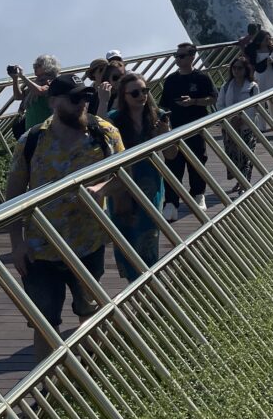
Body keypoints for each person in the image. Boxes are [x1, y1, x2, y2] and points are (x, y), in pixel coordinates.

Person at [6, 73, 124, 359]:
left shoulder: (105, 133)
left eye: (86, 97)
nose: (83, 103)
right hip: (40, 249)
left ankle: (88, 376)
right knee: (45, 322)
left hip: (88, 243)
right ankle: (46, 389)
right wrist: (16, 244)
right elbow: (14, 194)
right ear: (54, 102)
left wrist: (103, 186)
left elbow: (124, 175)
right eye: (75, 98)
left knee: (89, 311)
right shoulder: (31, 140)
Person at [107, 73, 175, 281]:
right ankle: (132, 284)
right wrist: (101, 101)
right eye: (135, 93)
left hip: (150, 182)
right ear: (124, 96)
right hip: (121, 184)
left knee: (148, 234)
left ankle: (148, 282)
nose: (141, 96)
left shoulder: (158, 115)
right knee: (125, 234)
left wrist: (165, 135)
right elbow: (102, 150)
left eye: (144, 91)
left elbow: (172, 155)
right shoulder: (114, 119)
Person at [159, 43, 217, 220]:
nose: (178, 59)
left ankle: (198, 195)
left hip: (195, 127)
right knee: (173, 164)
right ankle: (170, 202)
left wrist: (194, 102)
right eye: (176, 56)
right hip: (174, 128)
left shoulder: (201, 78)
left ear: (192, 57)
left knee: (197, 161)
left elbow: (213, 98)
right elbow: (163, 105)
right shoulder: (170, 80)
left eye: (182, 56)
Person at [215, 56, 260, 189]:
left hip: (248, 126)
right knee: (233, 156)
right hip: (230, 127)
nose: (236, 71)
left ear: (246, 70)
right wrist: (231, 119)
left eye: (239, 68)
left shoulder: (253, 87)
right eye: (234, 68)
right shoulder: (226, 85)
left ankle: (244, 182)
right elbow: (220, 104)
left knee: (247, 155)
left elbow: (255, 106)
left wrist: (242, 119)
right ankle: (239, 180)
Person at [10, 54, 60, 133]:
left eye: (38, 65)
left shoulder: (54, 82)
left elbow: (41, 91)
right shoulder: (36, 83)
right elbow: (18, 96)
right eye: (34, 65)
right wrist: (15, 78)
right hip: (32, 131)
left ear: (49, 66)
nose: (35, 68)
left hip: (47, 131)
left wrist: (23, 76)